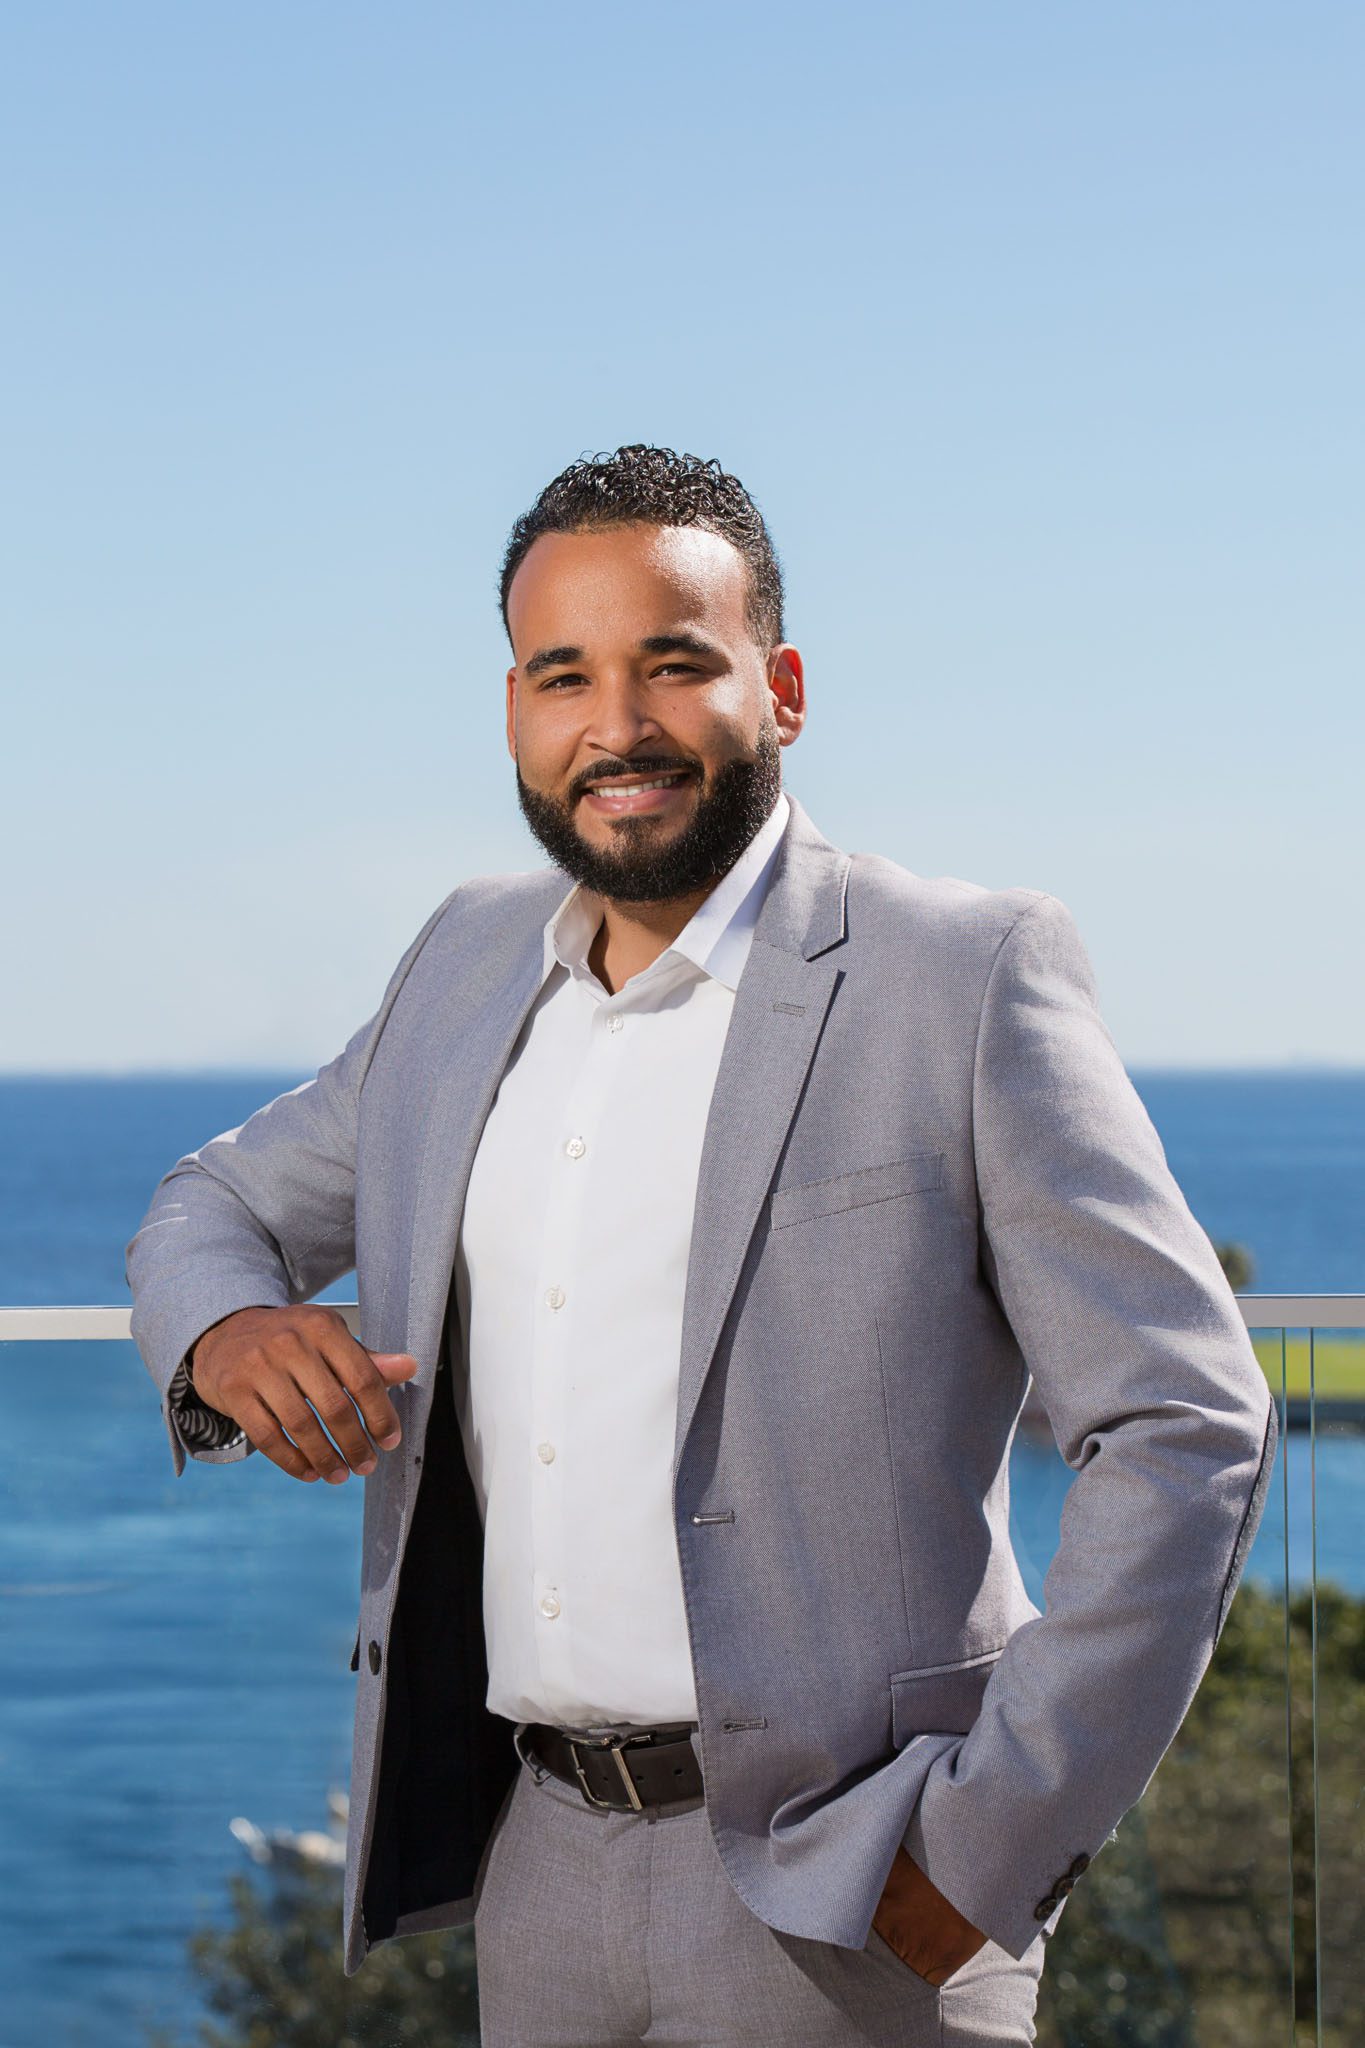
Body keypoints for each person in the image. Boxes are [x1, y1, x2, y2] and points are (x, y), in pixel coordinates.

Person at [126, 444, 1276, 2047]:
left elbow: (1184, 1421)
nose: (617, 727)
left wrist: (980, 1851)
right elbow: (212, 1205)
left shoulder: (961, 975)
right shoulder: (462, 967)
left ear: (780, 686)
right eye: (564, 676)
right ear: (513, 710)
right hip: (534, 1867)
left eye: (675, 665)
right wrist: (223, 1339)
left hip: (854, 1889)